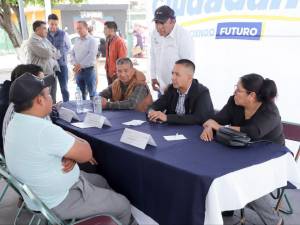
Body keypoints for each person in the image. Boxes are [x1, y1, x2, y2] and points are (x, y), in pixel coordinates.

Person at [4, 73, 132, 225]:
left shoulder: (17, 121)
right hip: (59, 200)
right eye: (49, 94)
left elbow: (52, 141)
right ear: (39, 100)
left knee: (101, 181)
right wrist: (74, 141)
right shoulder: (43, 130)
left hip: (40, 196)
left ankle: (102, 205)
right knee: (123, 205)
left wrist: (68, 146)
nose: (52, 97)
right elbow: (86, 154)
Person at [200, 73, 284, 225]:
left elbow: (253, 131)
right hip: (242, 150)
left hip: (271, 158)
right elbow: (217, 119)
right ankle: (227, 205)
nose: (234, 92)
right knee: (214, 168)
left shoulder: (269, 110)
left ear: (251, 95)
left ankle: (275, 221)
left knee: (244, 180)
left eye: (238, 90)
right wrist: (209, 126)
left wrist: (217, 127)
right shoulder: (234, 102)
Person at [148, 59, 214, 125]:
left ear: (189, 78)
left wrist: (167, 117)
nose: (173, 78)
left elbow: (198, 118)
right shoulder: (171, 89)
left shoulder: (202, 92)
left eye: (177, 74)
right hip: (172, 131)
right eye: (172, 73)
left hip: (194, 132)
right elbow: (155, 105)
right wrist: (152, 113)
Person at [150, 5, 194, 95]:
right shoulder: (155, 34)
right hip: (161, 88)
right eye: (156, 23)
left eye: (162, 23)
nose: (158, 27)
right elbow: (153, 56)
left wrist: (174, 88)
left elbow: (188, 66)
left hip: (178, 90)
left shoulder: (183, 36)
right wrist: (153, 76)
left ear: (173, 21)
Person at [2, 64, 45, 148]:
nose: (45, 86)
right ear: (26, 84)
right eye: (41, 81)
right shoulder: (22, 109)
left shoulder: (16, 102)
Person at [27, 20, 60, 103]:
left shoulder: (44, 39)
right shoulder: (32, 41)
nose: (47, 30)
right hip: (41, 75)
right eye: (44, 28)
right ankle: (46, 115)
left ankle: (53, 115)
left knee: (52, 98)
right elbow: (46, 53)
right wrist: (52, 51)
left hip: (51, 72)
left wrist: (52, 51)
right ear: (37, 30)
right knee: (44, 99)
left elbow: (57, 52)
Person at [70, 20, 98, 100]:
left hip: (89, 71)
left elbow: (91, 55)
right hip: (78, 71)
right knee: (81, 94)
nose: (79, 30)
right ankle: (83, 111)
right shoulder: (76, 40)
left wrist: (80, 65)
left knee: (92, 94)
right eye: (77, 28)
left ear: (86, 28)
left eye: (80, 28)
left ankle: (94, 111)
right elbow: (72, 54)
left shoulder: (92, 40)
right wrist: (75, 64)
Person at [47, 13, 71, 102]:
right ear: (48, 23)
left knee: (64, 88)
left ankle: (67, 105)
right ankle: (52, 107)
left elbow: (69, 47)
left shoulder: (63, 34)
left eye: (56, 24)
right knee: (51, 89)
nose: (54, 26)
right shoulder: (45, 34)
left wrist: (62, 55)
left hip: (62, 65)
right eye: (52, 24)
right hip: (50, 66)